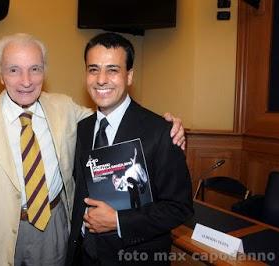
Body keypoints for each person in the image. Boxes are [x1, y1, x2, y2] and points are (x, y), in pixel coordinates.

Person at [0, 33, 185, 266]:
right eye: (14, 70)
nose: (26, 81)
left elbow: (116, 117)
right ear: (1, 75)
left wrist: (168, 127)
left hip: (55, 229)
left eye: (35, 69)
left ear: (44, 72)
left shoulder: (64, 109)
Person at [66, 32, 193, 266]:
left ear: (130, 76)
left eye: (112, 70)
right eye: (93, 69)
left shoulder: (160, 132)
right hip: (83, 256)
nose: (101, 79)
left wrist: (118, 220)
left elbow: (179, 207)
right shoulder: (82, 129)